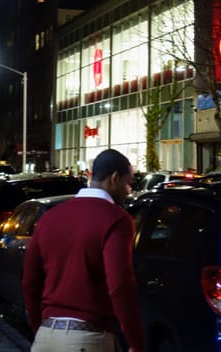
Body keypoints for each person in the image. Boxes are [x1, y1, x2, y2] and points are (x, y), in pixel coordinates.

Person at [22, 149, 144, 352]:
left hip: (46, 336)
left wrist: (39, 328)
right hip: (88, 337)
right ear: (114, 178)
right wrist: (136, 341)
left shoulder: (50, 218)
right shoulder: (116, 219)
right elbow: (120, 285)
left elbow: (30, 282)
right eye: (127, 182)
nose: (129, 190)